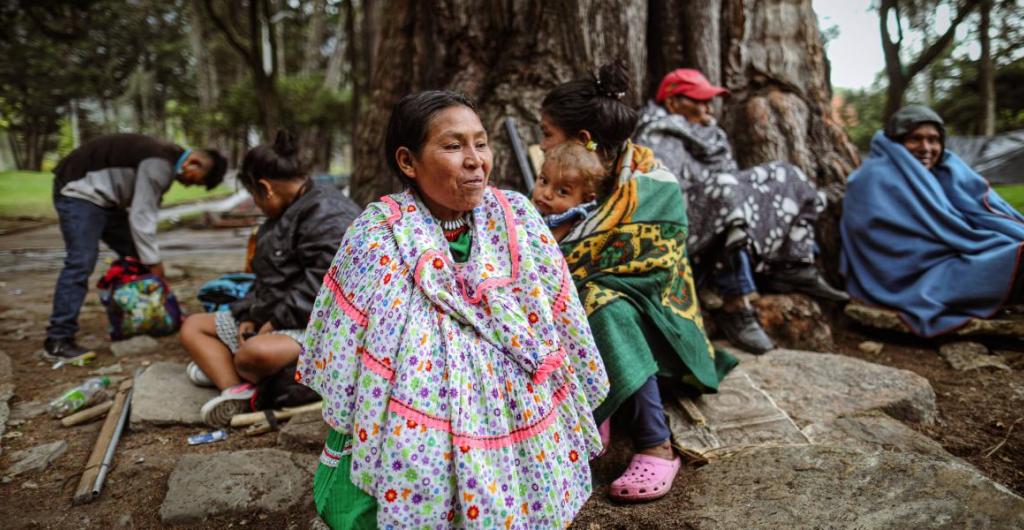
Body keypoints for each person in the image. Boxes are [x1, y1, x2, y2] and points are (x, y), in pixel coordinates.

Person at [297, 90, 609, 529]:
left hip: (514, 407)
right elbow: (366, 347)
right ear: (408, 162)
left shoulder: (517, 218)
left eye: (480, 143)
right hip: (415, 414)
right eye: (452, 145)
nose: (475, 160)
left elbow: (554, 320)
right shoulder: (377, 235)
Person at [539, 63, 737, 502]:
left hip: (658, 321)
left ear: (583, 140)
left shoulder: (654, 182)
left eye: (548, 132)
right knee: (573, 299)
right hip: (588, 316)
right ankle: (598, 401)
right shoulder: (557, 183)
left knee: (606, 303)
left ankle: (656, 443)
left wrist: (571, 264)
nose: (540, 143)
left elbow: (656, 269)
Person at [633, 68, 848, 354]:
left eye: (709, 100)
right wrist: (720, 193)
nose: (708, 107)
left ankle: (792, 264)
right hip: (683, 232)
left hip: (723, 215)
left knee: (787, 175)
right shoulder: (657, 133)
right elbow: (668, 192)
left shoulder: (711, 136)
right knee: (725, 191)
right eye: (699, 100)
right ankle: (734, 302)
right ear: (673, 103)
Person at [179, 130, 359, 427]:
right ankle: (237, 391)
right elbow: (270, 280)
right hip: (278, 318)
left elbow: (323, 288)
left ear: (265, 188)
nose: (257, 205)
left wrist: (272, 323)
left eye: (254, 197)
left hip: (321, 326)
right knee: (193, 327)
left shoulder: (329, 215)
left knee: (253, 355)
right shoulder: (288, 209)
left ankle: (232, 370)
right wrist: (249, 314)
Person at [841, 105, 1024, 336]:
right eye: (915, 139)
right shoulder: (874, 177)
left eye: (933, 140)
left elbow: (978, 213)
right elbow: (892, 246)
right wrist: (979, 246)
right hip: (916, 278)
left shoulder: (943, 172)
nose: (926, 148)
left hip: (958, 258)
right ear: (895, 142)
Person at [44, 133, 227, 360]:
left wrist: (147, 260)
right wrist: (155, 264)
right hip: (79, 192)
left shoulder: (165, 158)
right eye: (195, 180)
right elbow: (141, 217)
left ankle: (142, 315)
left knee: (134, 252)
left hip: (107, 202)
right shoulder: (160, 163)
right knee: (81, 261)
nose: (190, 185)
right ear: (193, 163)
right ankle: (58, 339)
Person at [531, 142, 610, 241]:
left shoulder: (570, 219)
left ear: (585, 199)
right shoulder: (535, 204)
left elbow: (546, 243)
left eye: (562, 192)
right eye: (544, 181)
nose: (546, 193)